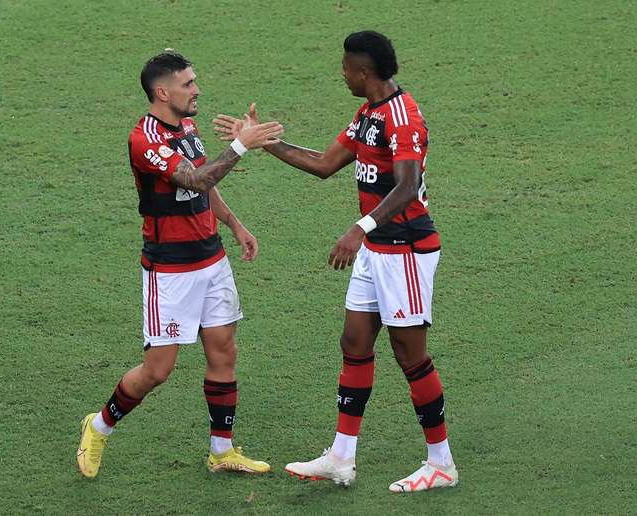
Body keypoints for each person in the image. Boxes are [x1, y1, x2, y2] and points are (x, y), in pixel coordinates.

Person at [213, 31, 458, 492]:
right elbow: (325, 164)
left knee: (411, 357)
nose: (342, 74)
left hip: (405, 250)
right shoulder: (368, 114)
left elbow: (407, 186)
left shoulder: (402, 117)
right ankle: (341, 458)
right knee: (354, 343)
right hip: (376, 249)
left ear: (364, 71)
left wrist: (359, 228)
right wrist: (262, 142)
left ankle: (441, 463)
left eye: (346, 67)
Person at [76, 50, 283, 479]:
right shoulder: (144, 141)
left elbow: (206, 185)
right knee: (158, 370)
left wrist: (235, 225)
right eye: (188, 84)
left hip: (212, 259)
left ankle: (221, 451)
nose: (196, 90)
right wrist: (241, 144)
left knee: (224, 351)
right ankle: (98, 427)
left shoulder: (187, 127)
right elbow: (195, 179)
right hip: (170, 271)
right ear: (162, 92)